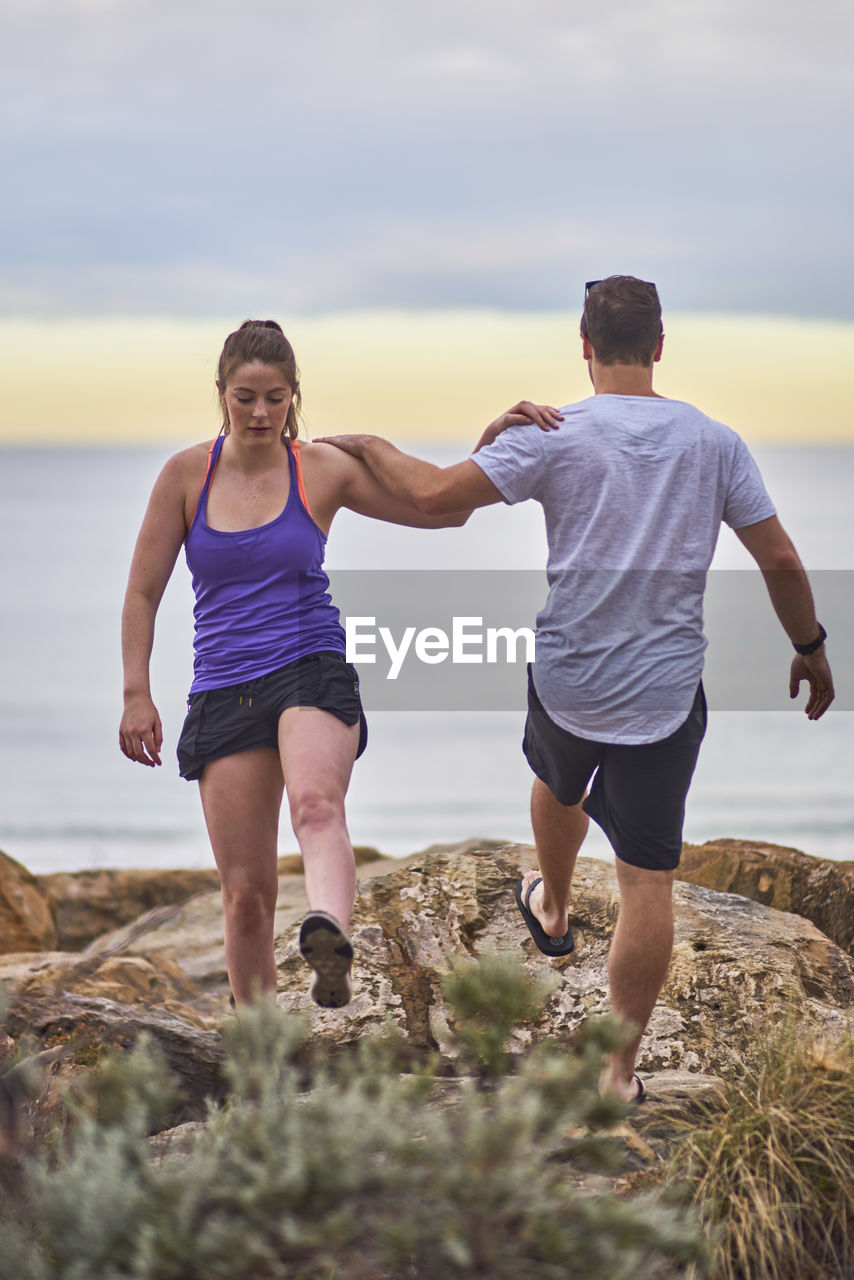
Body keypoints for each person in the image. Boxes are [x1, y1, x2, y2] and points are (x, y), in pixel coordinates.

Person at [318, 276, 835, 1101]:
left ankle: (552, 904)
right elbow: (778, 559)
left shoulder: (551, 431)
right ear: (659, 346)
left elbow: (431, 498)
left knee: (558, 779)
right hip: (664, 692)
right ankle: (617, 1073)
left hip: (569, 676)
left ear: (585, 347)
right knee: (645, 878)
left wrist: (363, 442)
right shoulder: (713, 443)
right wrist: (809, 646)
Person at [119, 318, 560, 1009]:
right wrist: (136, 692)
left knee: (318, 807)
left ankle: (329, 929)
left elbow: (441, 508)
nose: (261, 413)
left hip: (310, 665)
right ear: (221, 394)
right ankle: (262, 1058)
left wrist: (492, 439)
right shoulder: (184, 475)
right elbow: (143, 591)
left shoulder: (319, 468)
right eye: (245, 397)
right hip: (224, 689)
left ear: (295, 394)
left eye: (275, 397)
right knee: (244, 899)